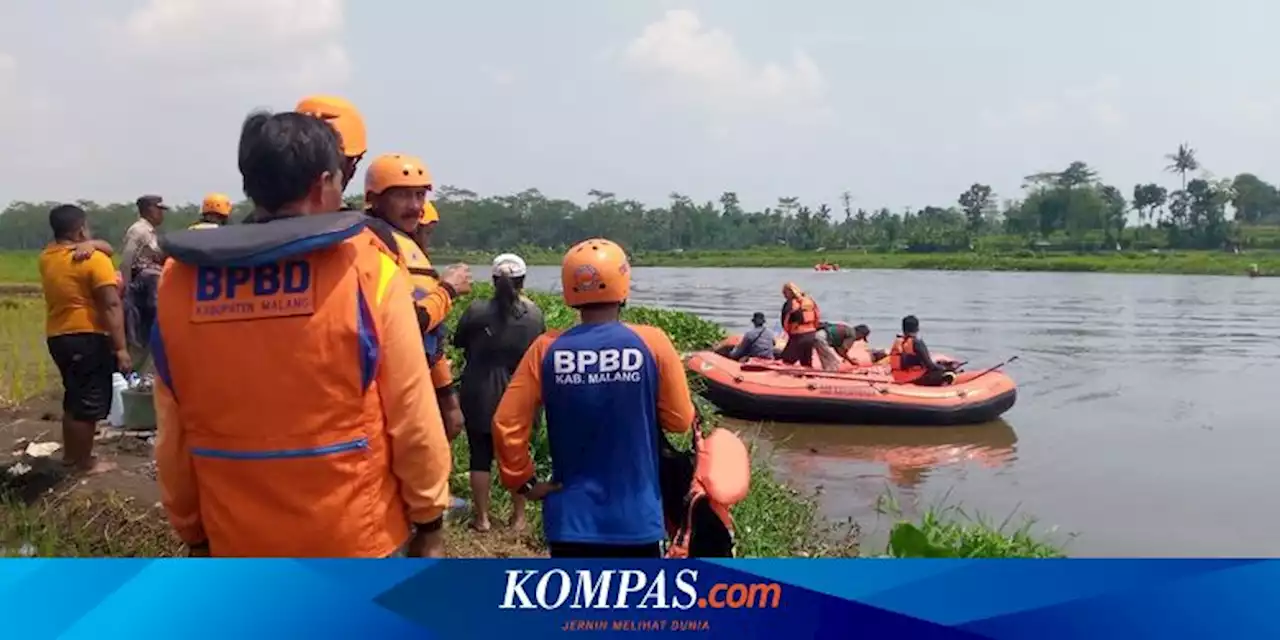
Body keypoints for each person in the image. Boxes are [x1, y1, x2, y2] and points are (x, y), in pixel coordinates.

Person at [152, 110, 452, 557]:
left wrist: (192, 529)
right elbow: (412, 413)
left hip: (235, 541)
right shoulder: (367, 266)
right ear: (322, 184)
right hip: (355, 539)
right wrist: (429, 517)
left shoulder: (180, 282)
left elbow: (172, 433)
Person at [493, 238, 696, 559]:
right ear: (622, 282)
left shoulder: (546, 349)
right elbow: (679, 421)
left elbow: (506, 423)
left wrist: (524, 482)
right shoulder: (653, 343)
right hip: (637, 520)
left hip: (570, 519)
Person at [362, 153, 473, 441]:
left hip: (414, 383)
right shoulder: (373, 244)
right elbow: (409, 323)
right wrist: (447, 290)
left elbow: (430, 339)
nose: (415, 207)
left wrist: (447, 395)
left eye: (419, 195)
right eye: (402, 196)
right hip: (385, 391)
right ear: (374, 199)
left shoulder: (403, 241)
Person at [453, 253, 544, 533]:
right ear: (523, 281)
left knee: (479, 457)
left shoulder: (476, 310)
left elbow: (458, 342)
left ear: (494, 281)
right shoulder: (534, 315)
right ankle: (518, 519)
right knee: (516, 458)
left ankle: (482, 519)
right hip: (517, 395)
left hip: (478, 391)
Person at [39, 205, 131, 475]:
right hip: (86, 336)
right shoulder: (93, 261)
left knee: (74, 397)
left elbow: (105, 248)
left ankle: (71, 457)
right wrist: (122, 348)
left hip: (58, 336)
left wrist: (93, 243)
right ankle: (83, 463)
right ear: (80, 229)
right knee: (89, 402)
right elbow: (111, 305)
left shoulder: (47, 257)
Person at [120, 194, 167, 371]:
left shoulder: (150, 231)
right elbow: (127, 259)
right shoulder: (138, 230)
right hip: (141, 286)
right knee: (139, 334)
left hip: (151, 286)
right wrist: (126, 287)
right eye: (159, 209)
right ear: (149, 209)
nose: (162, 214)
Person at [889, 315, 956, 386]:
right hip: (915, 379)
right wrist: (944, 368)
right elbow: (930, 366)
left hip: (898, 378)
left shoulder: (898, 342)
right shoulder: (917, 343)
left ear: (903, 328)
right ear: (917, 328)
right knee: (949, 373)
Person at [778, 282, 820, 366]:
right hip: (811, 334)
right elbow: (817, 316)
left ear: (789, 292)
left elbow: (785, 322)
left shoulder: (789, 304)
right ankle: (808, 376)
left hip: (798, 336)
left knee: (786, 361)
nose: (784, 296)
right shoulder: (809, 301)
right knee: (806, 362)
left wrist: (789, 334)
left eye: (784, 293)